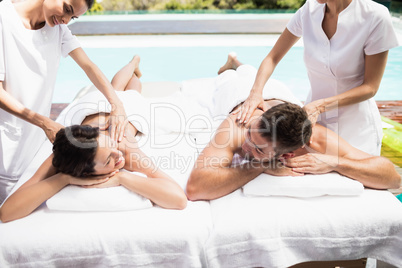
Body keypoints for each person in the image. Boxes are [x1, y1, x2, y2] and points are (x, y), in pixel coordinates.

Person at [0, 56, 187, 223]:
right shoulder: (66, 158)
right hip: (94, 109)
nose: (118, 156)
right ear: (86, 172)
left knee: (131, 92)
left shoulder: (126, 151)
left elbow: (178, 199)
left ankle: (133, 62)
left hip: (117, 113)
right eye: (108, 160)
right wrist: (63, 179)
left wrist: (121, 177)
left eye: (110, 146)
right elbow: (7, 212)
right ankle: (132, 64)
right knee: (123, 88)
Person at [187, 55, 401, 201]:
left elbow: (393, 177)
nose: (245, 145)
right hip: (238, 94)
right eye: (251, 136)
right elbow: (196, 188)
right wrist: (259, 166)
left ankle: (237, 63)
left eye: (259, 149)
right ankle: (232, 65)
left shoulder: (316, 139)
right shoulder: (239, 124)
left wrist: (335, 163)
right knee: (229, 78)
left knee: (247, 72)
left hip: (281, 93)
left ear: (287, 153)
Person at [231, 0, 399, 156]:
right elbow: (272, 58)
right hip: (313, 123)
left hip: (356, 127)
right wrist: (256, 93)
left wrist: (319, 106)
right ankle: (234, 64)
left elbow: (370, 87)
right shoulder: (309, 10)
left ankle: (234, 63)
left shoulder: (375, 16)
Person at [0, 0, 128, 203]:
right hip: (4, 152)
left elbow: (88, 66)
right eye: (67, 9)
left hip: (31, 147)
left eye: (73, 17)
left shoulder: (57, 29)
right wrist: (45, 123)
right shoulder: (3, 20)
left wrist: (117, 104)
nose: (66, 20)